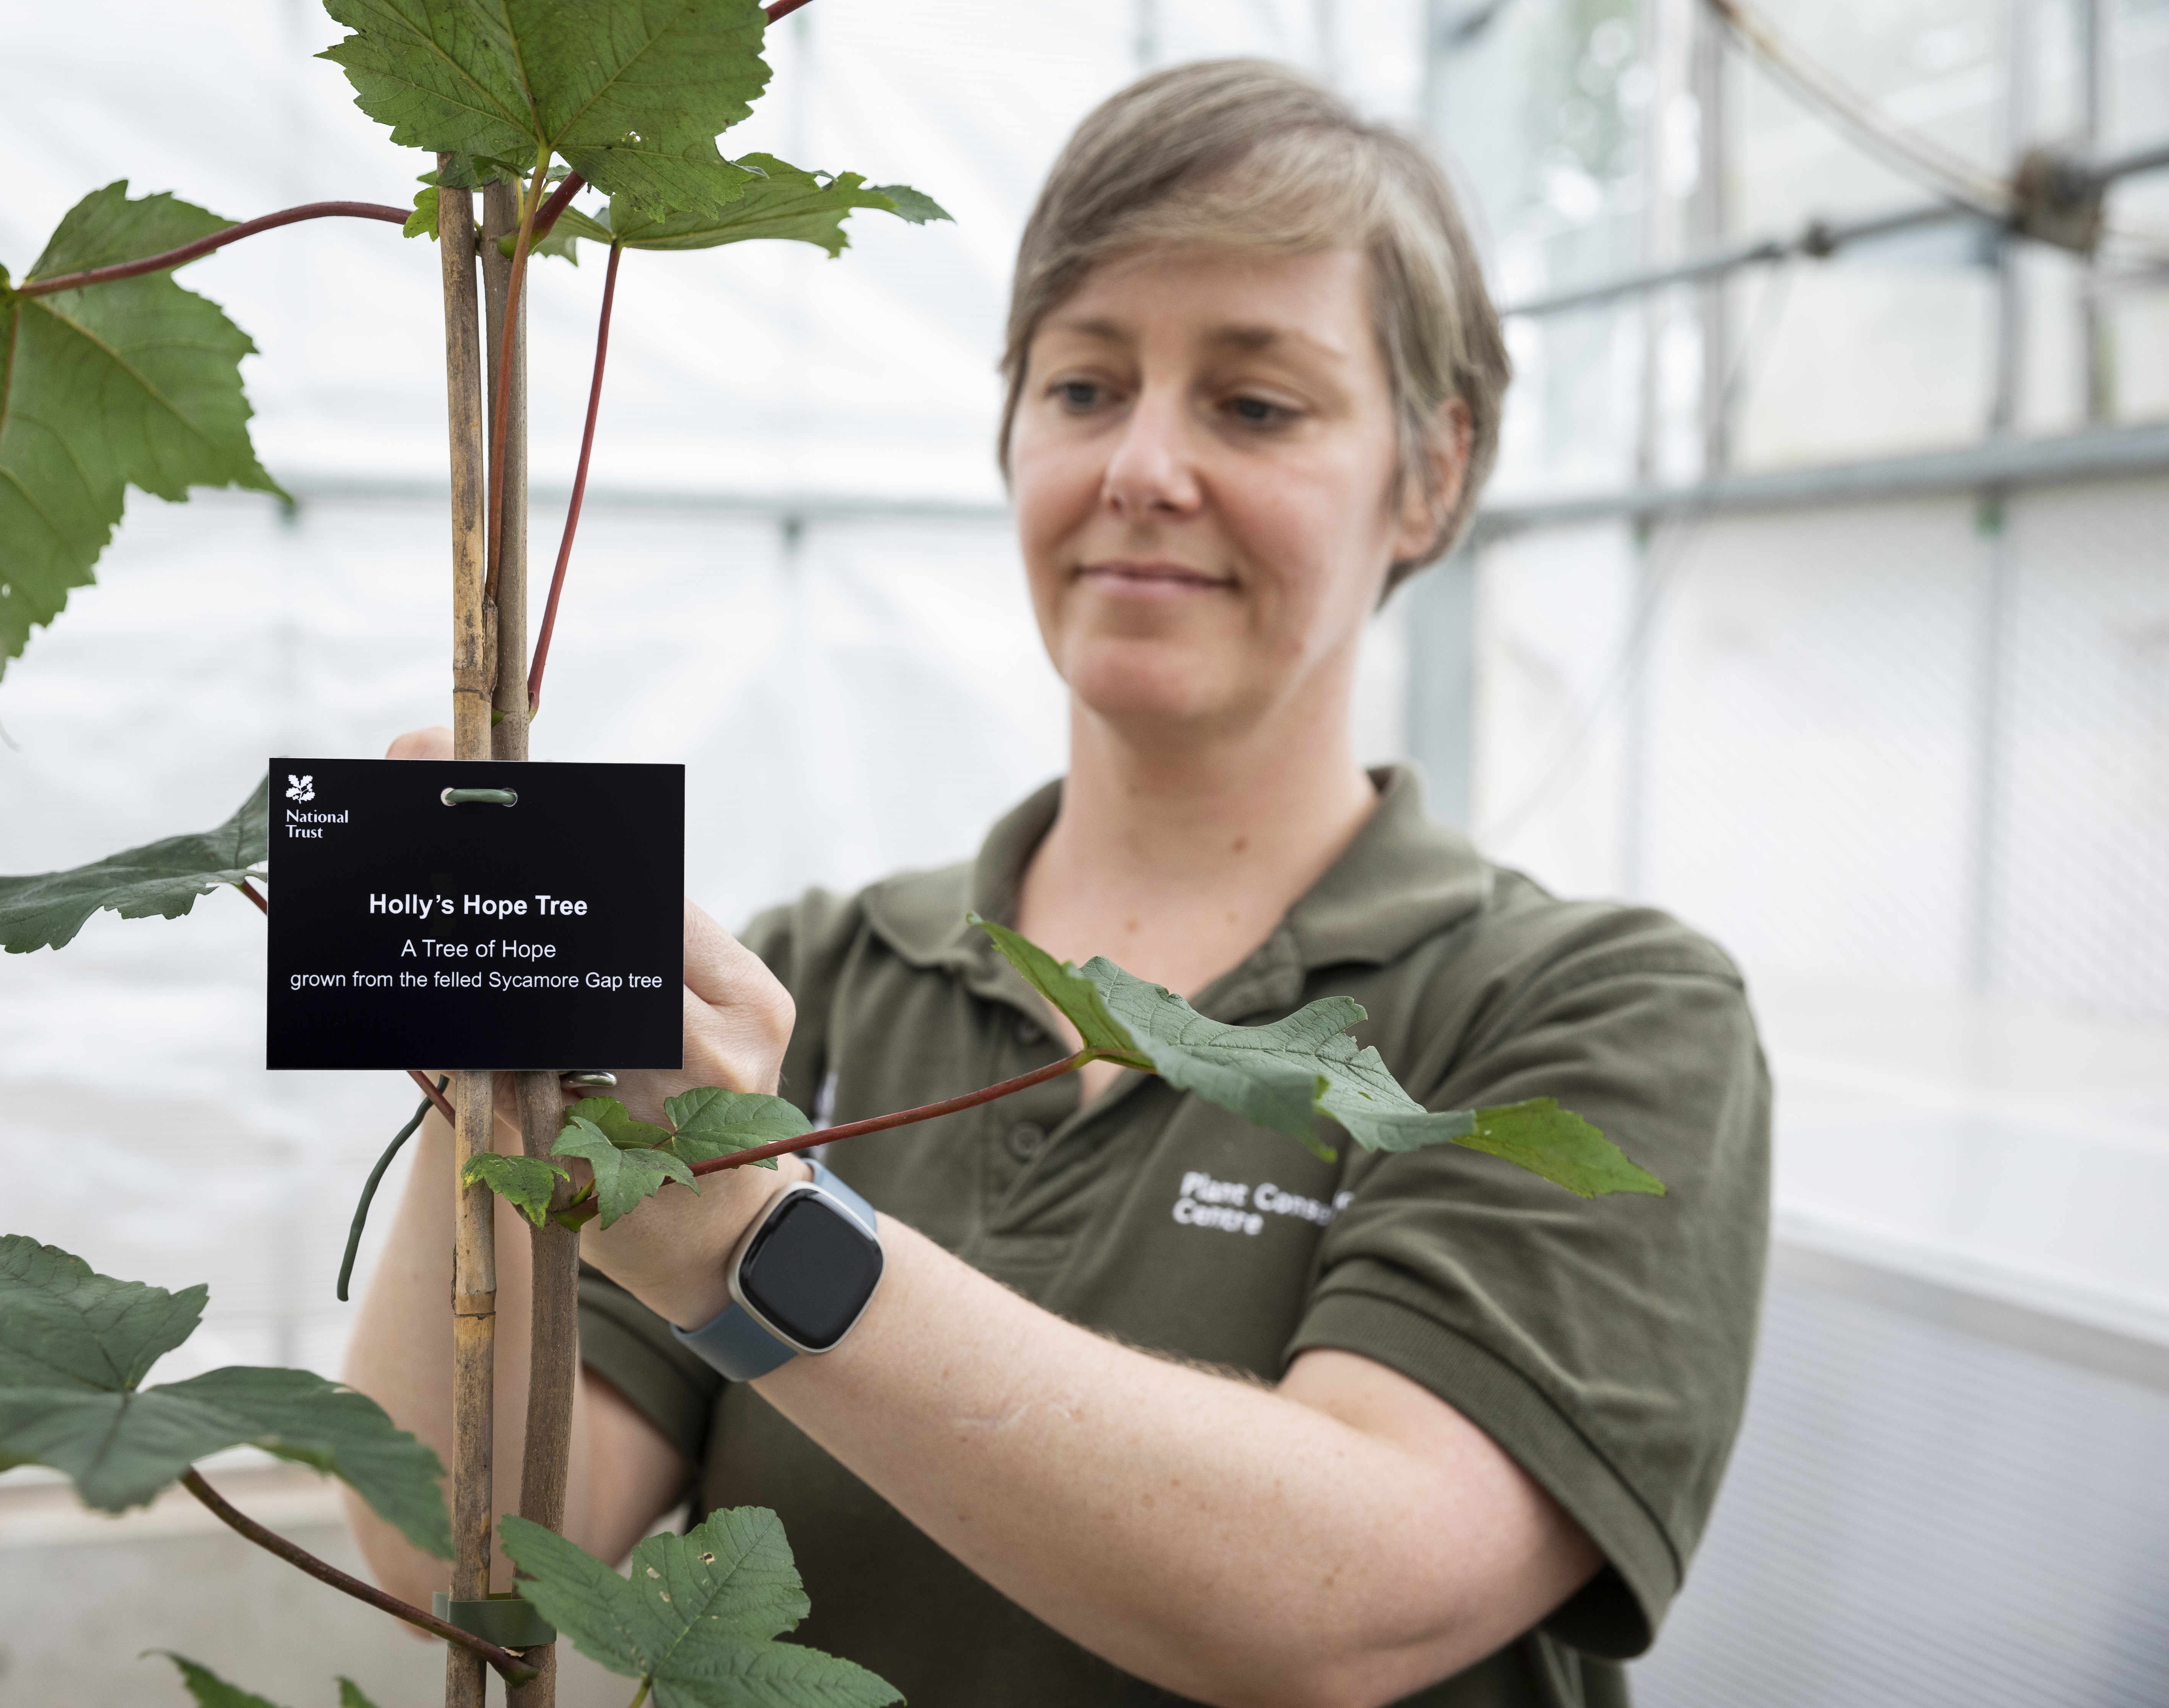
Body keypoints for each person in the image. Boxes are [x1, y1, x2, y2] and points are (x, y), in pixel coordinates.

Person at [345, 60, 1769, 1708]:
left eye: (1255, 404)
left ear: (1434, 472)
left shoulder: (1594, 1011)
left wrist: (758, 1239)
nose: (1141, 468)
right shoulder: (820, 977)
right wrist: (477, 1034)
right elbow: (485, 1552)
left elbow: (1350, 1594)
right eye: (1086, 387)